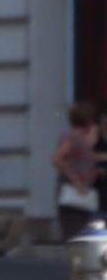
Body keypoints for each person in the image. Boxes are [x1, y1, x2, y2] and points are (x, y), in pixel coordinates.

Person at [52, 102, 99, 242]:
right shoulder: (72, 138)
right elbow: (56, 159)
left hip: (83, 194)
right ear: (87, 121)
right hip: (73, 194)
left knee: (83, 235)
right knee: (74, 236)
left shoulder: (82, 139)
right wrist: (76, 180)